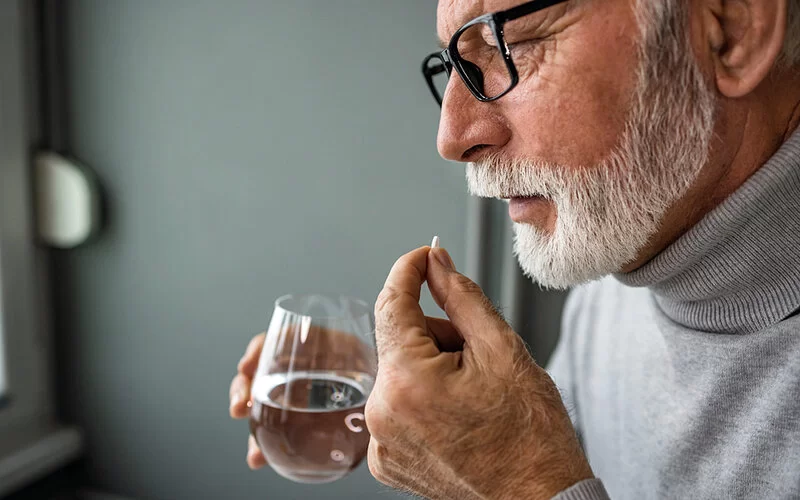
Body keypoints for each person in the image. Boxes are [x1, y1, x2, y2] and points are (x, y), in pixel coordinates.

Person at [230, 0, 800, 497]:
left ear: (731, 27)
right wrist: (395, 392)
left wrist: (515, 487)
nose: (452, 137)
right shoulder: (624, 260)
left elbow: (541, 476)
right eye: (454, 64)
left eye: (510, 43)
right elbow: (573, 463)